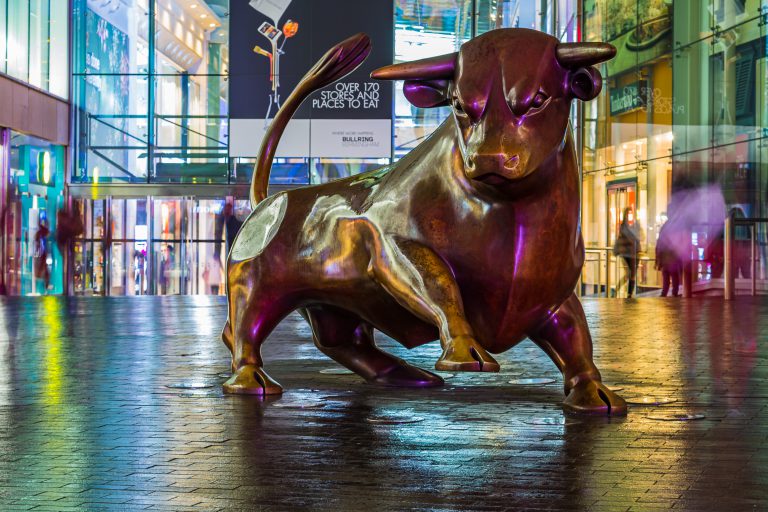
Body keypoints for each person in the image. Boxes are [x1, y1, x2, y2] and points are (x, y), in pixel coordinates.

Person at [613, 207, 641, 298]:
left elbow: (640, 237)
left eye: (631, 214)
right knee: (630, 274)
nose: (630, 216)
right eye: (628, 214)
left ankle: (626, 292)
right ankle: (627, 293)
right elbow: (628, 238)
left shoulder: (636, 225)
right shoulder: (624, 226)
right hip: (628, 253)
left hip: (634, 252)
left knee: (630, 274)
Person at [655, 214, 683, 297]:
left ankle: (664, 293)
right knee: (673, 275)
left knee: (666, 274)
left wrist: (658, 255)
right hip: (671, 255)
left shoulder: (664, 227)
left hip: (665, 255)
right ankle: (673, 293)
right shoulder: (675, 227)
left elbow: (659, 242)